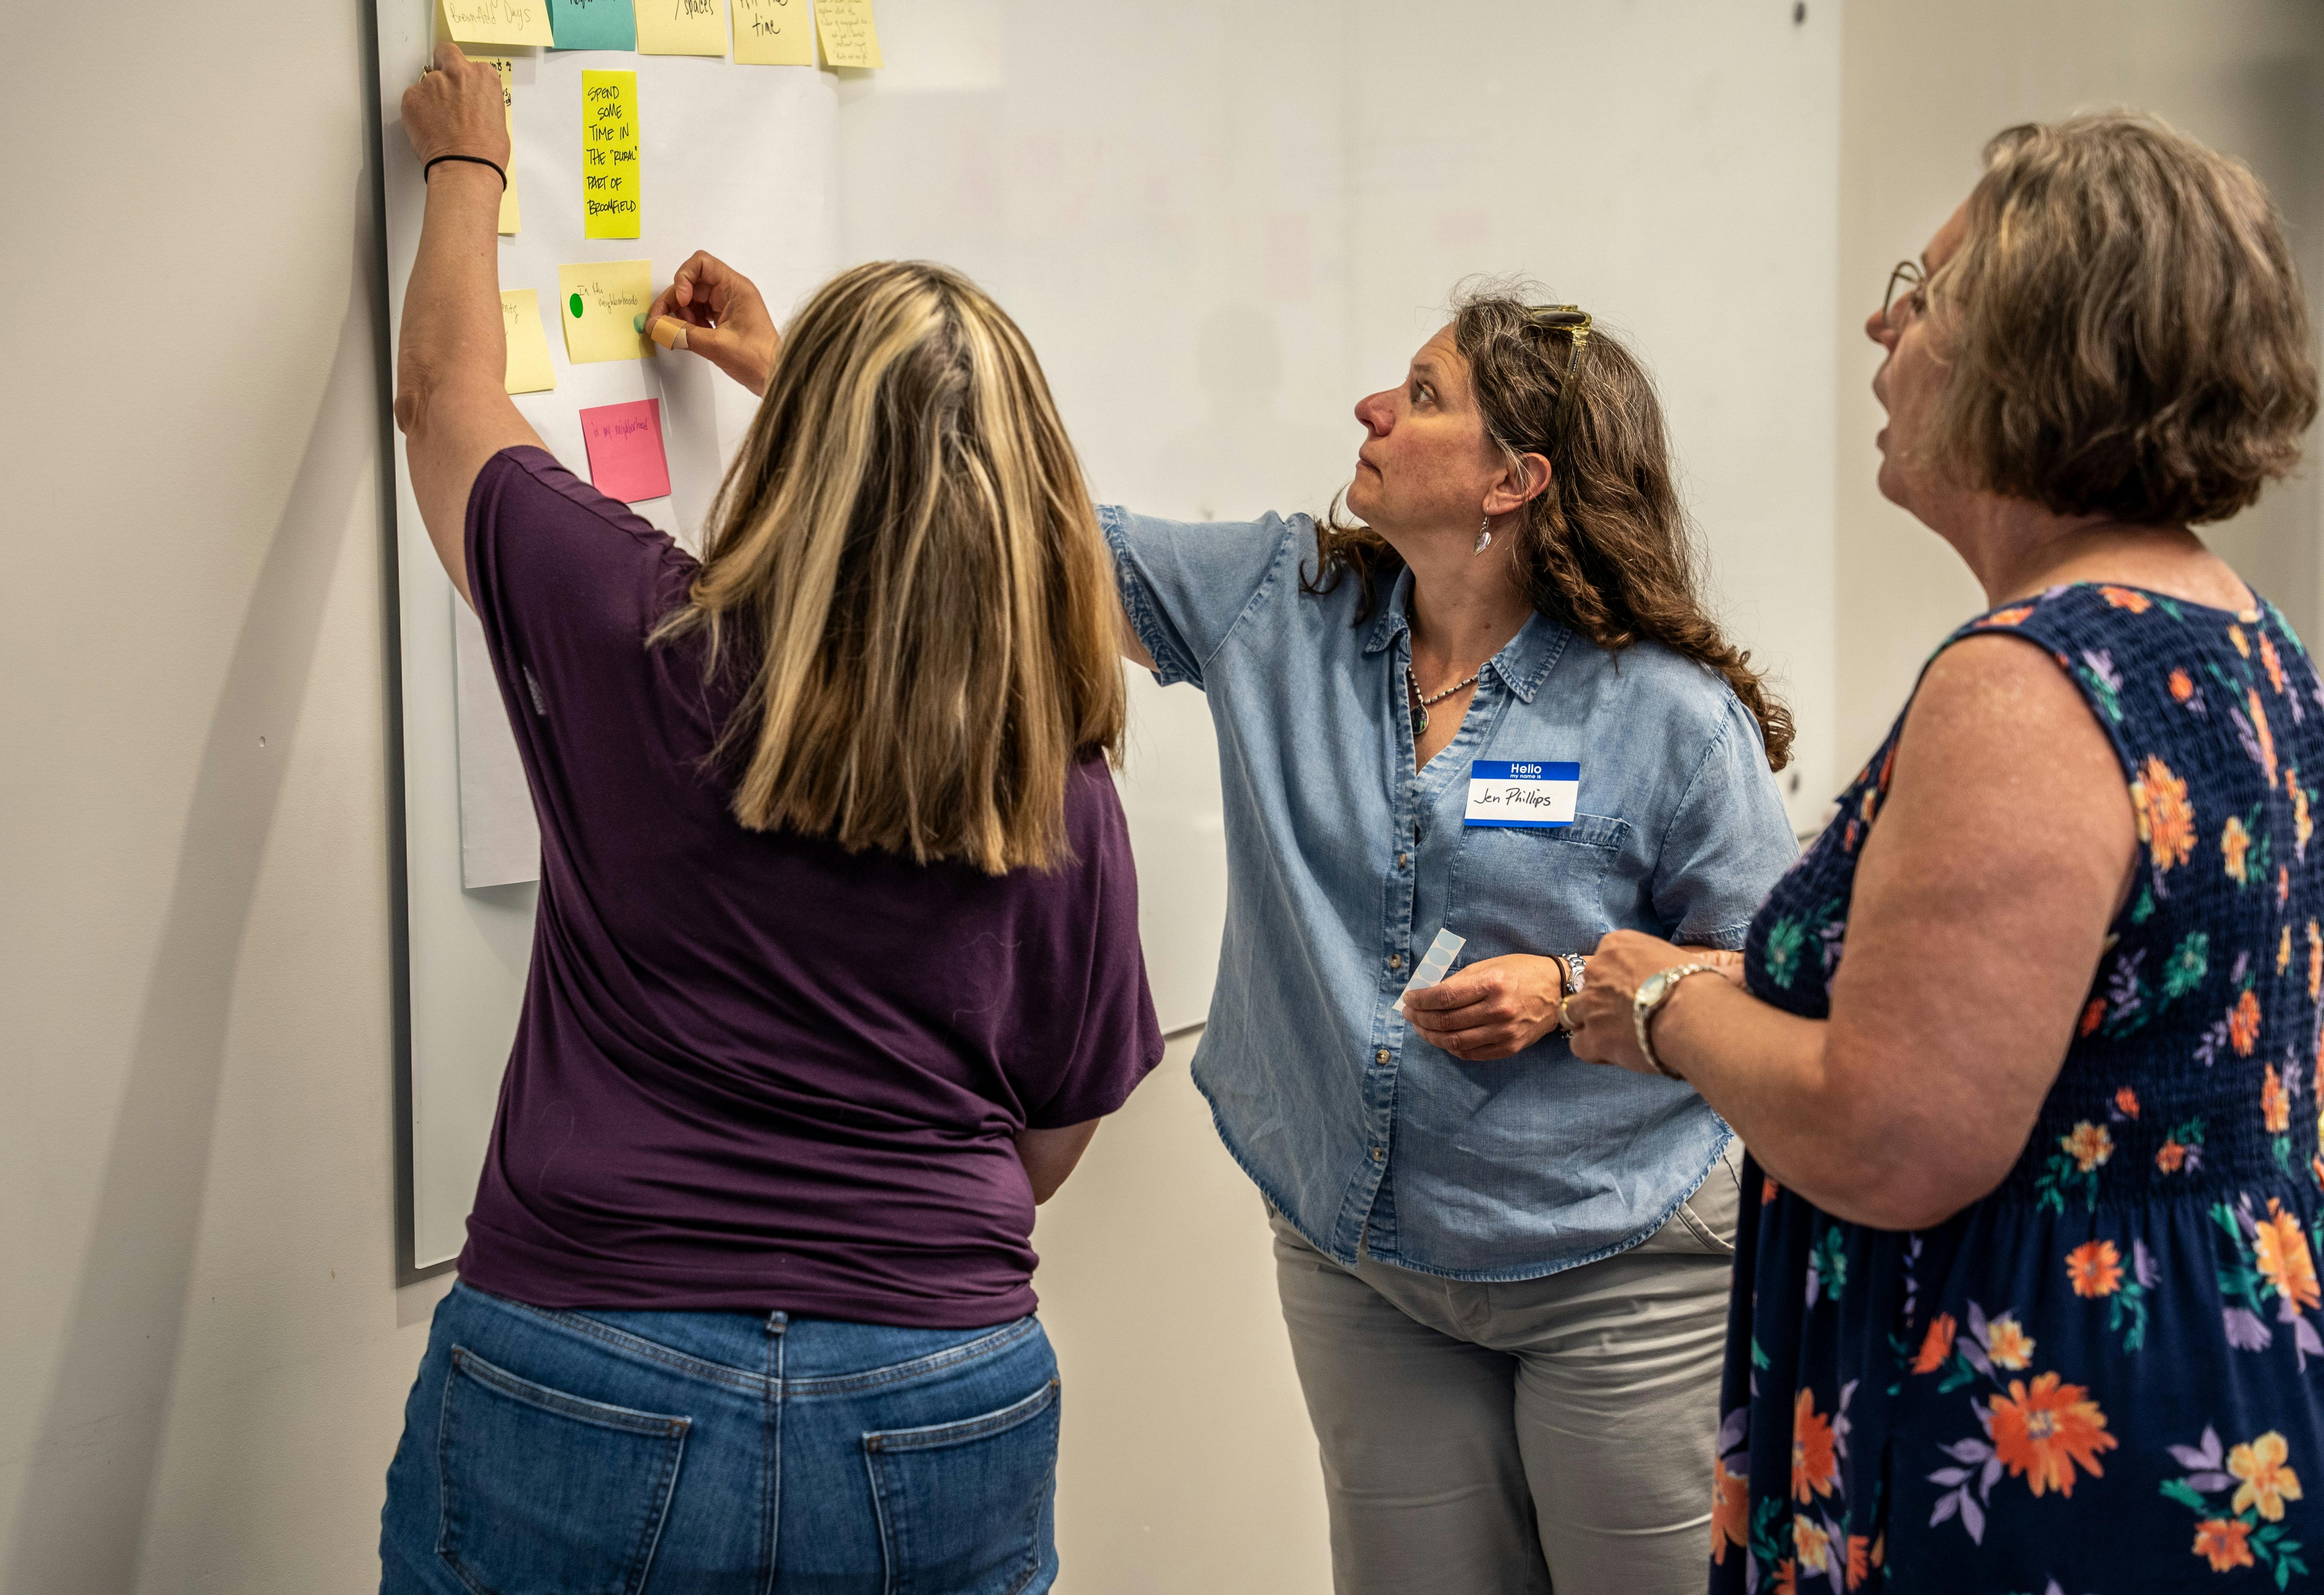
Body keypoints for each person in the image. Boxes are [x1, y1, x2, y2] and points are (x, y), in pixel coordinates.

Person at [643, 266, 1795, 1595]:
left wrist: (1579, 981)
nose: (1372, 405)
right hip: (1364, 1257)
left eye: (1422, 396)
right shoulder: (1281, 603)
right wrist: (798, 371)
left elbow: (1778, 978)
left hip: (1613, 1263)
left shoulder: (1666, 714)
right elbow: (1012, 529)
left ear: (1514, 483)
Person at [379, 48, 1161, 1593]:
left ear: (803, 446)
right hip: (939, 1397)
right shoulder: (1055, 778)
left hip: (588, 1364)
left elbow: (446, 402)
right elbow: (1054, 1136)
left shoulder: (639, 633)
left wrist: (469, 165)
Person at [1565, 112, 2324, 1592]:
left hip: (2038, 1419)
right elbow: (2093, 1020)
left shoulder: (2030, 677)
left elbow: (1894, 1134)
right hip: (2195, 1377)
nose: (1881, 320)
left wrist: (1668, 1011)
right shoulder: (2236, 632)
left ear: (2039, 345)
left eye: (1925, 287)